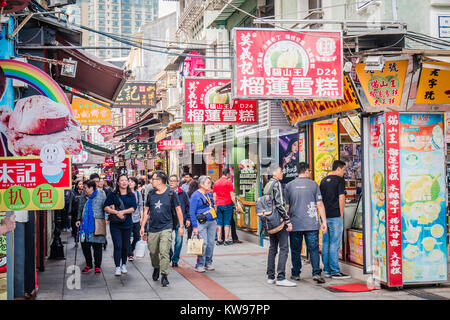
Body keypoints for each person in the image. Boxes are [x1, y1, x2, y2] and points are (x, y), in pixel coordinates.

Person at [140, 171, 184, 287]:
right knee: (153, 251)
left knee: (164, 251)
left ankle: (164, 275)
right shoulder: (151, 193)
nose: (151, 181)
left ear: (159, 181)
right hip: (153, 227)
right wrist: (142, 226)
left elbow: (178, 210)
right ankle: (156, 267)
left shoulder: (171, 193)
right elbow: (146, 210)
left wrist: (181, 226)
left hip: (166, 226)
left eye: (153, 179)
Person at [285, 162, 327, 284]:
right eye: (309, 171)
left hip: (295, 224)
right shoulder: (314, 184)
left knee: (295, 250)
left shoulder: (289, 185)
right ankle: (316, 273)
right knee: (313, 249)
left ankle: (296, 273)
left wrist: (286, 222)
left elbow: (287, 206)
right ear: (307, 171)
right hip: (311, 224)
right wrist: (324, 221)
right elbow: (319, 204)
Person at [263, 164, 296, 287]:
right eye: (281, 171)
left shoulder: (267, 184)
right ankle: (281, 277)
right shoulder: (276, 184)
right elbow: (280, 204)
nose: (283, 173)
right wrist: (287, 221)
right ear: (274, 173)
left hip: (269, 220)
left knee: (272, 248)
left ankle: (270, 276)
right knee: (284, 248)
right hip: (278, 220)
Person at [320, 160, 350, 279]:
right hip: (335, 216)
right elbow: (341, 198)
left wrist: (322, 217)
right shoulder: (339, 180)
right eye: (343, 170)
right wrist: (341, 214)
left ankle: (327, 270)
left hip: (325, 217)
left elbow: (319, 200)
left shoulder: (323, 181)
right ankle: (335, 271)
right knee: (334, 244)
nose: (344, 172)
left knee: (326, 243)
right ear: (338, 169)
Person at [104, 174, 137, 276]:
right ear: (117, 182)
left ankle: (124, 265)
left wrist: (123, 212)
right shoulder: (112, 194)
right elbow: (105, 207)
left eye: (125, 180)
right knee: (118, 245)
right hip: (115, 225)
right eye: (121, 180)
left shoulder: (131, 195)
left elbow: (133, 208)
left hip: (127, 224)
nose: (123, 182)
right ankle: (117, 267)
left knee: (125, 246)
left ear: (128, 182)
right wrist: (116, 212)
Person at [76, 180, 107, 274]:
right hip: (85, 225)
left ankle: (97, 266)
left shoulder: (101, 194)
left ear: (91, 188)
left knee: (97, 246)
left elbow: (106, 206)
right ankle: (89, 264)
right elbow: (80, 207)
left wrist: (106, 218)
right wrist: (78, 219)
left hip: (97, 223)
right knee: (85, 246)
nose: (83, 189)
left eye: (85, 187)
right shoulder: (83, 195)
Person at [189, 175, 217, 273]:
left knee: (211, 243)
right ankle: (200, 264)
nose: (210, 185)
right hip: (201, 223)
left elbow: (212, 207)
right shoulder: (195, 195)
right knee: (203, 243)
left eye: (210, 183)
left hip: (211, 221)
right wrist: (195, 226)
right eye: (208, 183)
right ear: (201, 184)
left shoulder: (208, 194)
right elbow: (192, 212)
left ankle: (208, 262)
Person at [168, 174, 190, 267]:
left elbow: (188, 207)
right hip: (168, 220)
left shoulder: (183, 193)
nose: (172, 182)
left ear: (178, 183)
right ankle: (169, 255)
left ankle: (175, 259)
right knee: (167, 240)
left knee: (179, 241)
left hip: (180, 221)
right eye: (170, 181)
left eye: (174, 181)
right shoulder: (165, 193)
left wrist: (188, 218)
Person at [213, 167, 236, 245]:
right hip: (227, 204)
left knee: (219, 222)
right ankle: (226, 239)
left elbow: (214, 196)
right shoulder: (229, 183)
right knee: (227, 222)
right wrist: (236, 204)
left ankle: (219, 240)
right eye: (229, 174)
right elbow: (232, 195)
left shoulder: (216, 182)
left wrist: (215, 205)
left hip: (219, 205)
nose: (230, 175)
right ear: (227, 174)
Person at [128, 177, 143, 261]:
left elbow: (141, 206)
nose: (130, 183)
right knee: (127, 237)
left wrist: (141, 217)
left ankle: (131, 249)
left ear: (136, 184)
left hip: (136, 218)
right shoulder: (125, 193)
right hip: (127, 218)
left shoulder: (138, 193)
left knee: (137, 237)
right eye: (129, 181)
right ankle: (130, 254)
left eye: (132, 182)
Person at [70, 179, 84, 246]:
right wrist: (69, 213)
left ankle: (82, 240)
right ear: (76, 185)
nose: (81, 185)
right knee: (75, 227)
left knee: (82, 227)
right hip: (74, 213)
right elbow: (70, 203)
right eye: (80, 184)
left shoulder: (84, 193)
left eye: (82, 184)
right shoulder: (73, 193)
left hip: (82, 213)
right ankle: (76, 240)